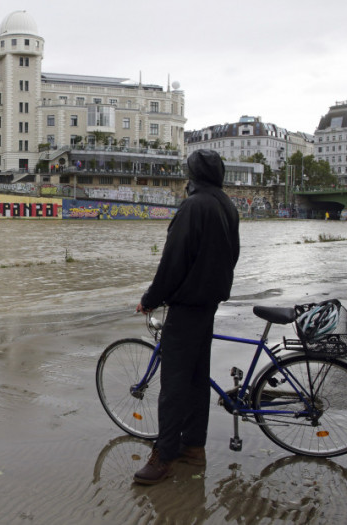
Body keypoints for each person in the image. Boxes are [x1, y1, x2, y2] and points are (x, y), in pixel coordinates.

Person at [133, 149, 240, 485]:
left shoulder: (193, 206)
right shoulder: (226, 204)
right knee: (196, 380)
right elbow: (232, 255)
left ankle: (163, 457)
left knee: (174, 386)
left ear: (192, 175)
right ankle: (193, 448)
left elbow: (173, 261)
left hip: (187, 306)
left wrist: (151, 298)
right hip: (208, 303)